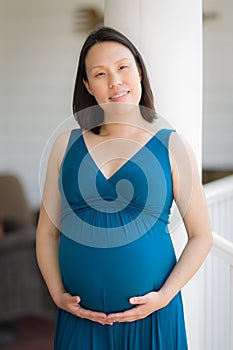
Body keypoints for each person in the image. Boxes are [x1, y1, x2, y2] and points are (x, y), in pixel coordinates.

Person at [36, 26, 212, 349]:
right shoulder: (65, 146)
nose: (115, 81)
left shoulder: (172, 147)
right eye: (100, 74)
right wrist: (57, 294)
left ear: (139, 72)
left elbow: (201, 235)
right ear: (88, 86)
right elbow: (47, 233)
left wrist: (164, 297)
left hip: (153, 320)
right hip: (80, 321)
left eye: (122, 67)